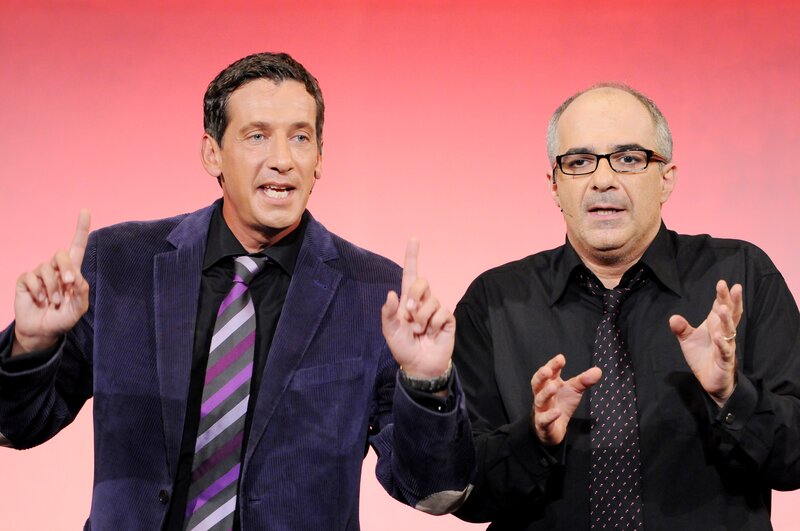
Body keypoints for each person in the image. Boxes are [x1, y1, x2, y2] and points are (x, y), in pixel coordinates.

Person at [0, 52, 474, 530]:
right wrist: (30, 344)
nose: (282, 160)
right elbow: (15, 426)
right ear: (212, 154)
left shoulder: (375, 294)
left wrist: (427, 382)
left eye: (300, 138)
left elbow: (431, 491)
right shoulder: (121, 264)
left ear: (319, 159)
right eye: (257, 136)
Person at [452, 83, 800, 529]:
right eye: (579, 162)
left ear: (667, 178)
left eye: (629, 159)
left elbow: (794, 462)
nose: (602, 180)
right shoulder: (494, 302)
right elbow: (459, 491)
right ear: (554, 185)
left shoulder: (740, 277)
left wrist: (731, 395)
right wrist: (534, 439)